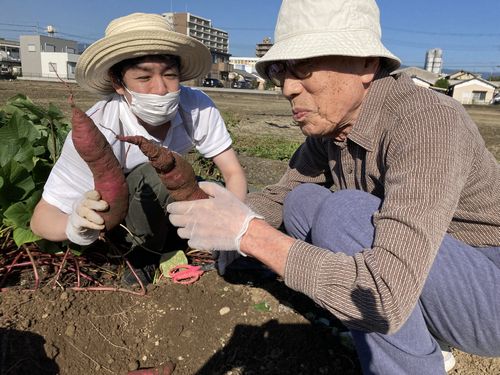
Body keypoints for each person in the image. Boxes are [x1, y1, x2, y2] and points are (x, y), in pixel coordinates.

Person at [165, 0, 500, 373]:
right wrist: (217, 227)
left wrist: (250, 235)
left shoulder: (426, 122)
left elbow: (383, 295)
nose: (288, 88)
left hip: (489, 287)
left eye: (304, 66)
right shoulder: (331, 131)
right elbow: (278, 197)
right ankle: (419, 341)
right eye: (281, 70)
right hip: (428, 275)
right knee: (303, 200)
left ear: (367, 64)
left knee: (344, 214)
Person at [30, 13, 247, 283]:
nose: (160, 89)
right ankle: (143, 255)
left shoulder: (196, 106)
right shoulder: (98, 129)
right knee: (152, 173)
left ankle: (183, 240)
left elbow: (233, 173)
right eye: (144, 78)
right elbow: (40, 220)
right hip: (122, 221)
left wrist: (233, 226)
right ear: (118, 83)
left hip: (171, 206)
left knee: (210, 187)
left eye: (170, 75)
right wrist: (74, 226)